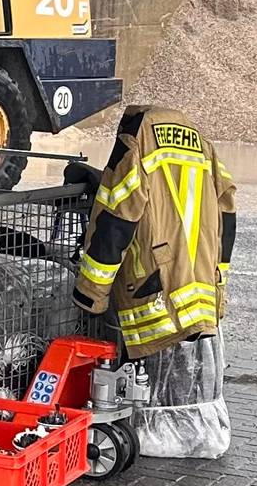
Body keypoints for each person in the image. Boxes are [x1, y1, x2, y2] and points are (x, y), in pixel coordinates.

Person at [72, 104, 238, 458]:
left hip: (154, 285)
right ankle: (199, 432)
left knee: (147, 364)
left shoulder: (137, 140)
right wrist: (217, 282)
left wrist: (91, 293)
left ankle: (151, 434)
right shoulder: (201, 142)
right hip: (198, 283)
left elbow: (117, 220)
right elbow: (227, 210)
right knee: (192, 368)